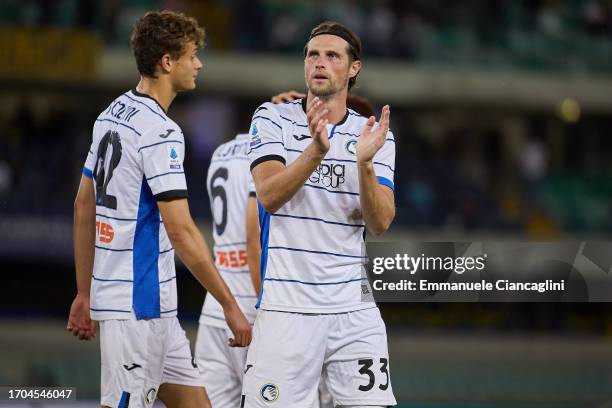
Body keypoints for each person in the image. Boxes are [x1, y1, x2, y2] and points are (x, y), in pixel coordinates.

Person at [66, 10, 251, 408]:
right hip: (137, 305)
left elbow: (84, 205)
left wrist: (85, 291)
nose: (198, 64)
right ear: (167, 61)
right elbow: (182, 232)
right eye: (192, 55)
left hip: (154, 307)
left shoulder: (110, 114)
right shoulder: (161, 132)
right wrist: (230, 304)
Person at [242, 21, 397, 408]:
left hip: (354, 310)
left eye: (332, 55)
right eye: (313, 54)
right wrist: (316, 151)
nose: (320, 63)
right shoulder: (271, 117)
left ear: (353, 68)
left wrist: (363, 163)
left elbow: (379, 223)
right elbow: (269, 196)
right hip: (287, 308)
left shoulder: (376, 134)